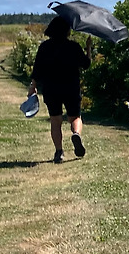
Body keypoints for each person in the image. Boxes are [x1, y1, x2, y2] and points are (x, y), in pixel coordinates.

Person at [27, 16, 93, 163]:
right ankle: (76, 134)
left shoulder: (44, 47)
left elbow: (37, 69)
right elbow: (86, 64)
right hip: (71, 87)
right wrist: (88, 47)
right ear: (67, 31)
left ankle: (59, 152)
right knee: (75, 117)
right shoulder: (73, 47)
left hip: (51, 88)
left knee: (55, 120)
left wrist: (33, 86)